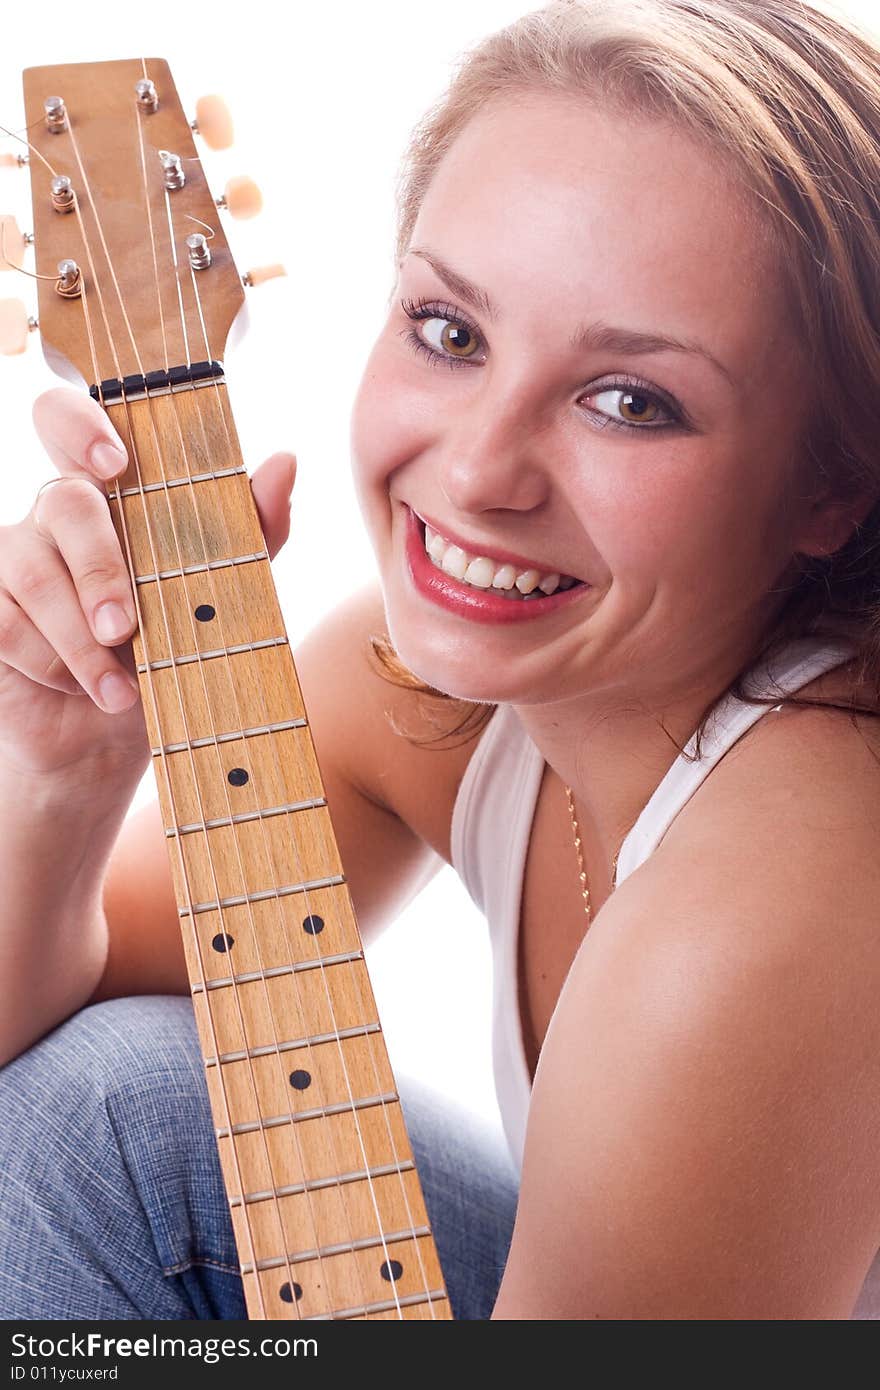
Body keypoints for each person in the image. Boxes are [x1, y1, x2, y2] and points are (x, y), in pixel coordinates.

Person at [1, 0, 879, 1320]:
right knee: (104, 1104)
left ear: (830, 487)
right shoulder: (432, 688)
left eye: (630, 400)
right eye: (450, 331)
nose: (475, 472)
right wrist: (56, 787)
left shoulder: (786, 891)